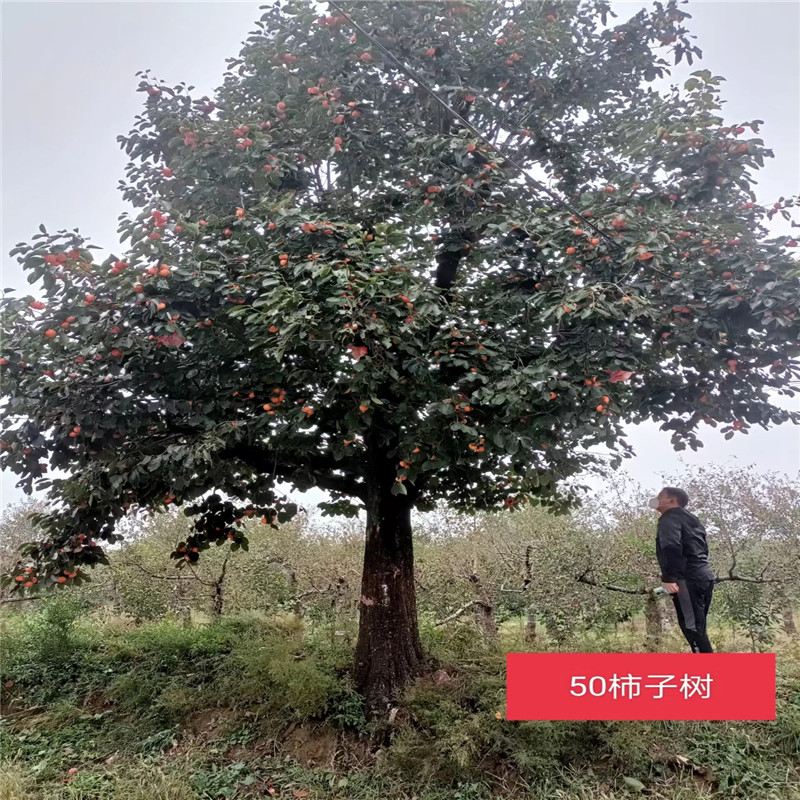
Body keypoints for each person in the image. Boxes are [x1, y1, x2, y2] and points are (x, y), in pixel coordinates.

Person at [649, 487, 716, 653]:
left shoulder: (668, 518)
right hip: (704, 576)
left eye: (660, 497)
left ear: (672, 500)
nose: (656, 499)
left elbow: (671, 546)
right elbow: (703, 548)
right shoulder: (693, 520)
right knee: (698, 627)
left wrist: (670, 578)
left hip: (687, 579)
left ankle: (710, 675)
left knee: (693, 629)